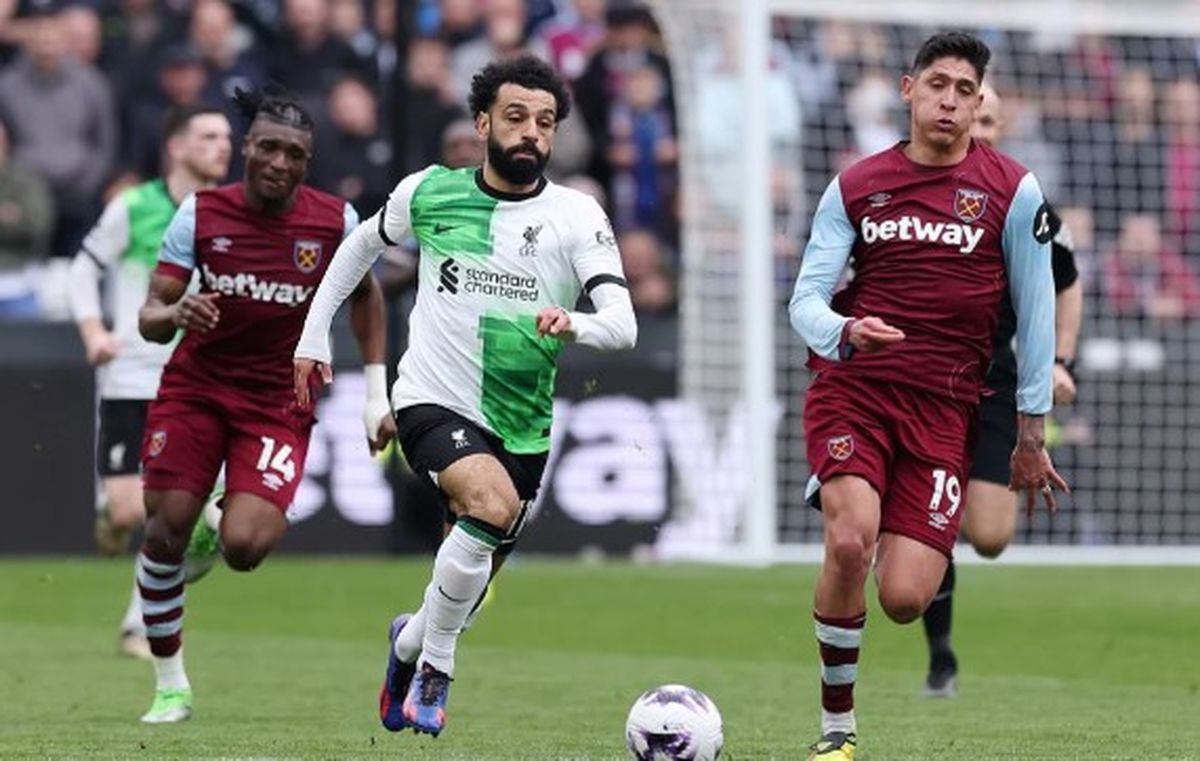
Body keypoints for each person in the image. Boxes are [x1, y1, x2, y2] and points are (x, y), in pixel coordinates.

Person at [294, 55, 637, 738]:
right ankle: (436, 668)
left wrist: (574, 322)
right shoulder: (429, 192)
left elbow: (623, 326)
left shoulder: (576, 214)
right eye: (516, 117)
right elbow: (356, 249)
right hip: (431, 399)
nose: (531, 132)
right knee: (490, 505)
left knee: (470, 581)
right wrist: (313, 338)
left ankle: (406, 644)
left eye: (545, 122)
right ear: (482, 123)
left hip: (522, 424)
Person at [788, 32, 1068, 760]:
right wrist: (846, 329)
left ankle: (881, 512)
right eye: (937, 84)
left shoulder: (1013, 190)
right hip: (855, 389)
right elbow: (804, 300)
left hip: (946, 410)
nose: (949, 101)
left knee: (906, 598)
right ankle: (837, 730)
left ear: (979, 103)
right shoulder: (856, 185)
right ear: (908, 90)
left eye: (964, 90)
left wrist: (1030, 432)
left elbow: (1038, 314)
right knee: (850, 539)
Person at [133, 85, 394, 724]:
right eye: (269, 148)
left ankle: (216, 523)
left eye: (294, 154)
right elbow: (150, 316)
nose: (280, 163)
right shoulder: (200, 214)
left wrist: (375, 393)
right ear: (246, 147)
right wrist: (177, 310)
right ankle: (170, 685)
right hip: (196, 387)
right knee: (164, 529)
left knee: (245, 547)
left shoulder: (335, 222)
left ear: (308, 161)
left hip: (279, 399)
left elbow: (367, 297)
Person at [920, 81, 1084, 698]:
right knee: (930, 526)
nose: (981, 130)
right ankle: (941, 658)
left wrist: (1061, 360)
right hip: (921, 384)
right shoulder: (908, 195)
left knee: (989, 537)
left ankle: (928, 525)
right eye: (975, 118)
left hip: (994, 384)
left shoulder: (1023, 198)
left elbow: (1067, 281)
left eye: (991, 121)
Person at [68, 104, 233, 659]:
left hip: (196, 381)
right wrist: (94, 330)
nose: (222, 146)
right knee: (128, 511)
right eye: (208, 136)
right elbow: (83, 268)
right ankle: (110, 515)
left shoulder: (231, 212)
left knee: (177, 511)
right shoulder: (133, 206)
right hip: (131, 374)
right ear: (177, 147)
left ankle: (139, 624)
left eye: (226, 136)